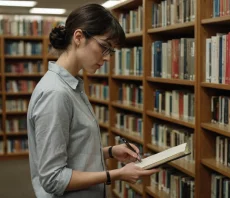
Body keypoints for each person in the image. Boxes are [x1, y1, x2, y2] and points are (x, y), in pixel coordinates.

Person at [27, 3, 158, 198]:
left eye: (110, 52)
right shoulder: (56, 93)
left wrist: (111, 152)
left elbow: (71, 152)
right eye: (104, 47)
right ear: (78, 37)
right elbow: (53, 178)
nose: (107, 58)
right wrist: (116, 175)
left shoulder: (72, 86)